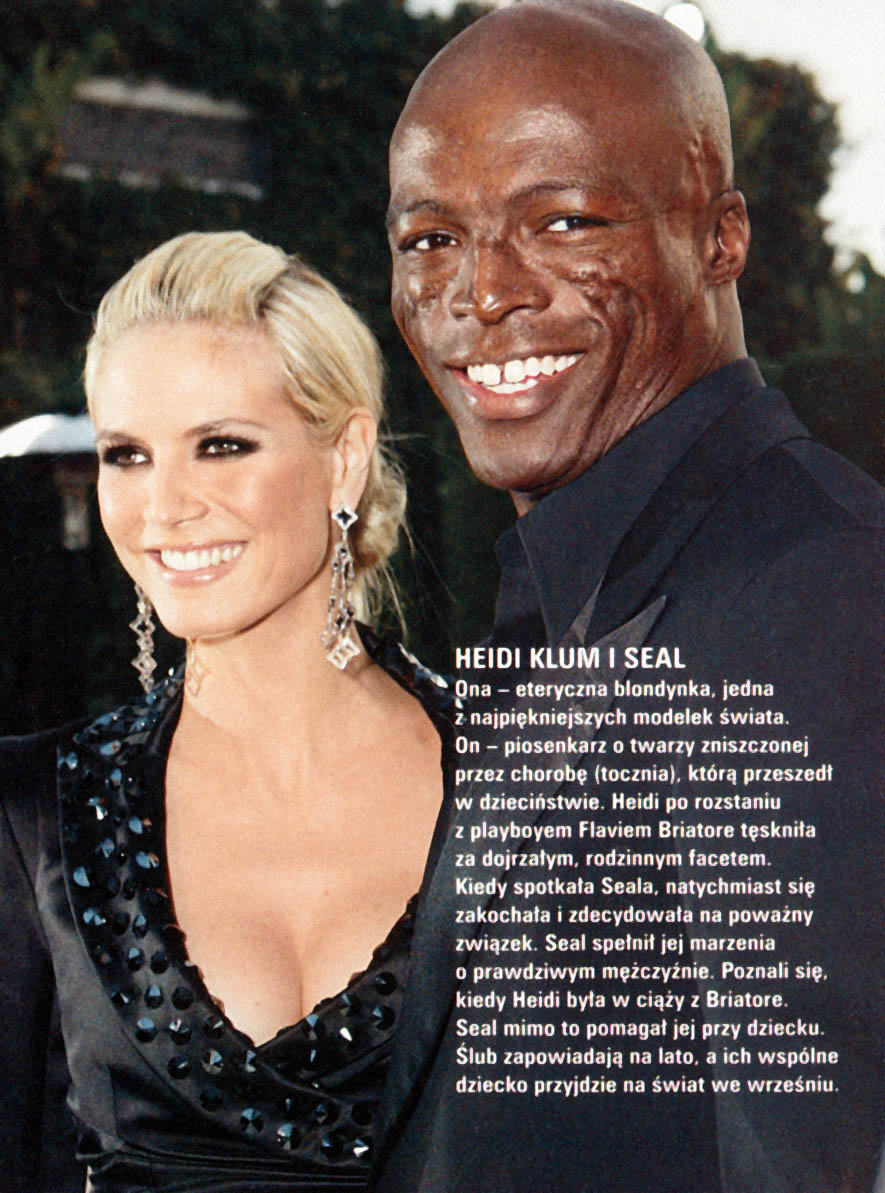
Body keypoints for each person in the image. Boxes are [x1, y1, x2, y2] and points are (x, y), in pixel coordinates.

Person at [375, 1, 885, 1190]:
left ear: (720, 236)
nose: (481, 293)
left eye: (563, 221)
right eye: (430, 238)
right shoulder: (576, 600)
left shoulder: (815, 595)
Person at [0, 230, 457, 1191]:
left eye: (221, 445)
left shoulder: (530, 787)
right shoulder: (30, 814)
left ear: (344, 459)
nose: (163, 506)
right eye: (127, 454)